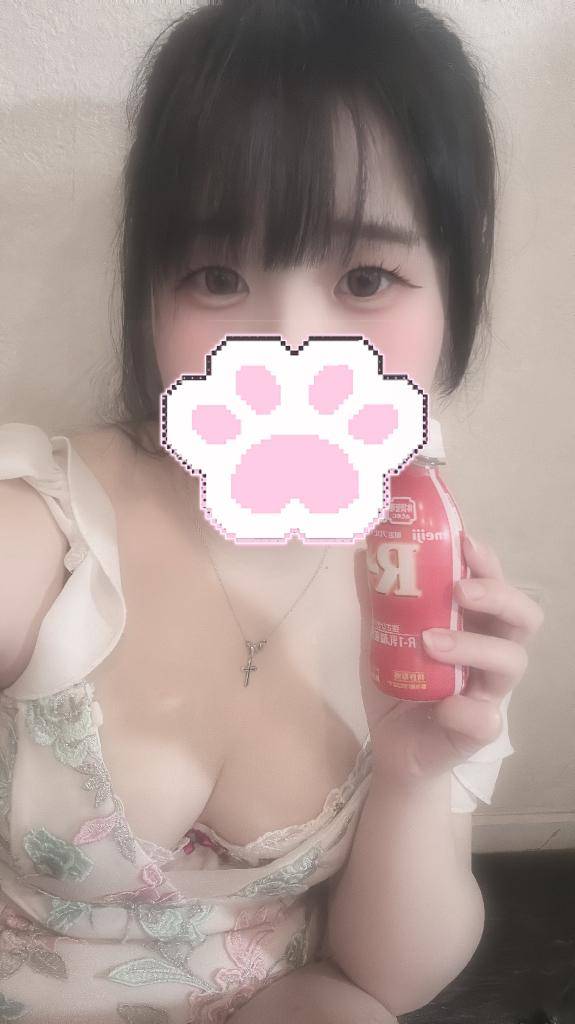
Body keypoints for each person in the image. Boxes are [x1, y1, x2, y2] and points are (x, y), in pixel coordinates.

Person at [0, 1, 543, 1021]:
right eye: (216, 277)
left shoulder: (426, 581)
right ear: (150, 294)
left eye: (366, 277)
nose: (288, 342)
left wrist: (415, 771)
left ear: (453, 286)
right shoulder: (48, 535)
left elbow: (385, 978)